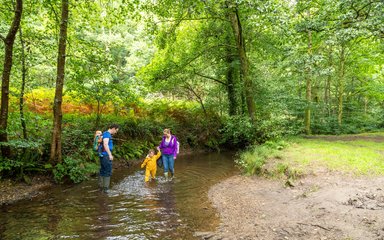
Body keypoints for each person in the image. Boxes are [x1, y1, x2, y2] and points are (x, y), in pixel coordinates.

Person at [98, 124, 119, 193]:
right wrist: (110, 155)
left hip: (102, 156)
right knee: (107, 171)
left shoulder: (104, 133)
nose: (116, 132)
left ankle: (101, 188)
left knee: (103, 170)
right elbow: (105, 144)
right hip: (106, 156)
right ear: (113, 128)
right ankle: (106, 189)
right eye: (116, 130)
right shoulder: (107, 134)